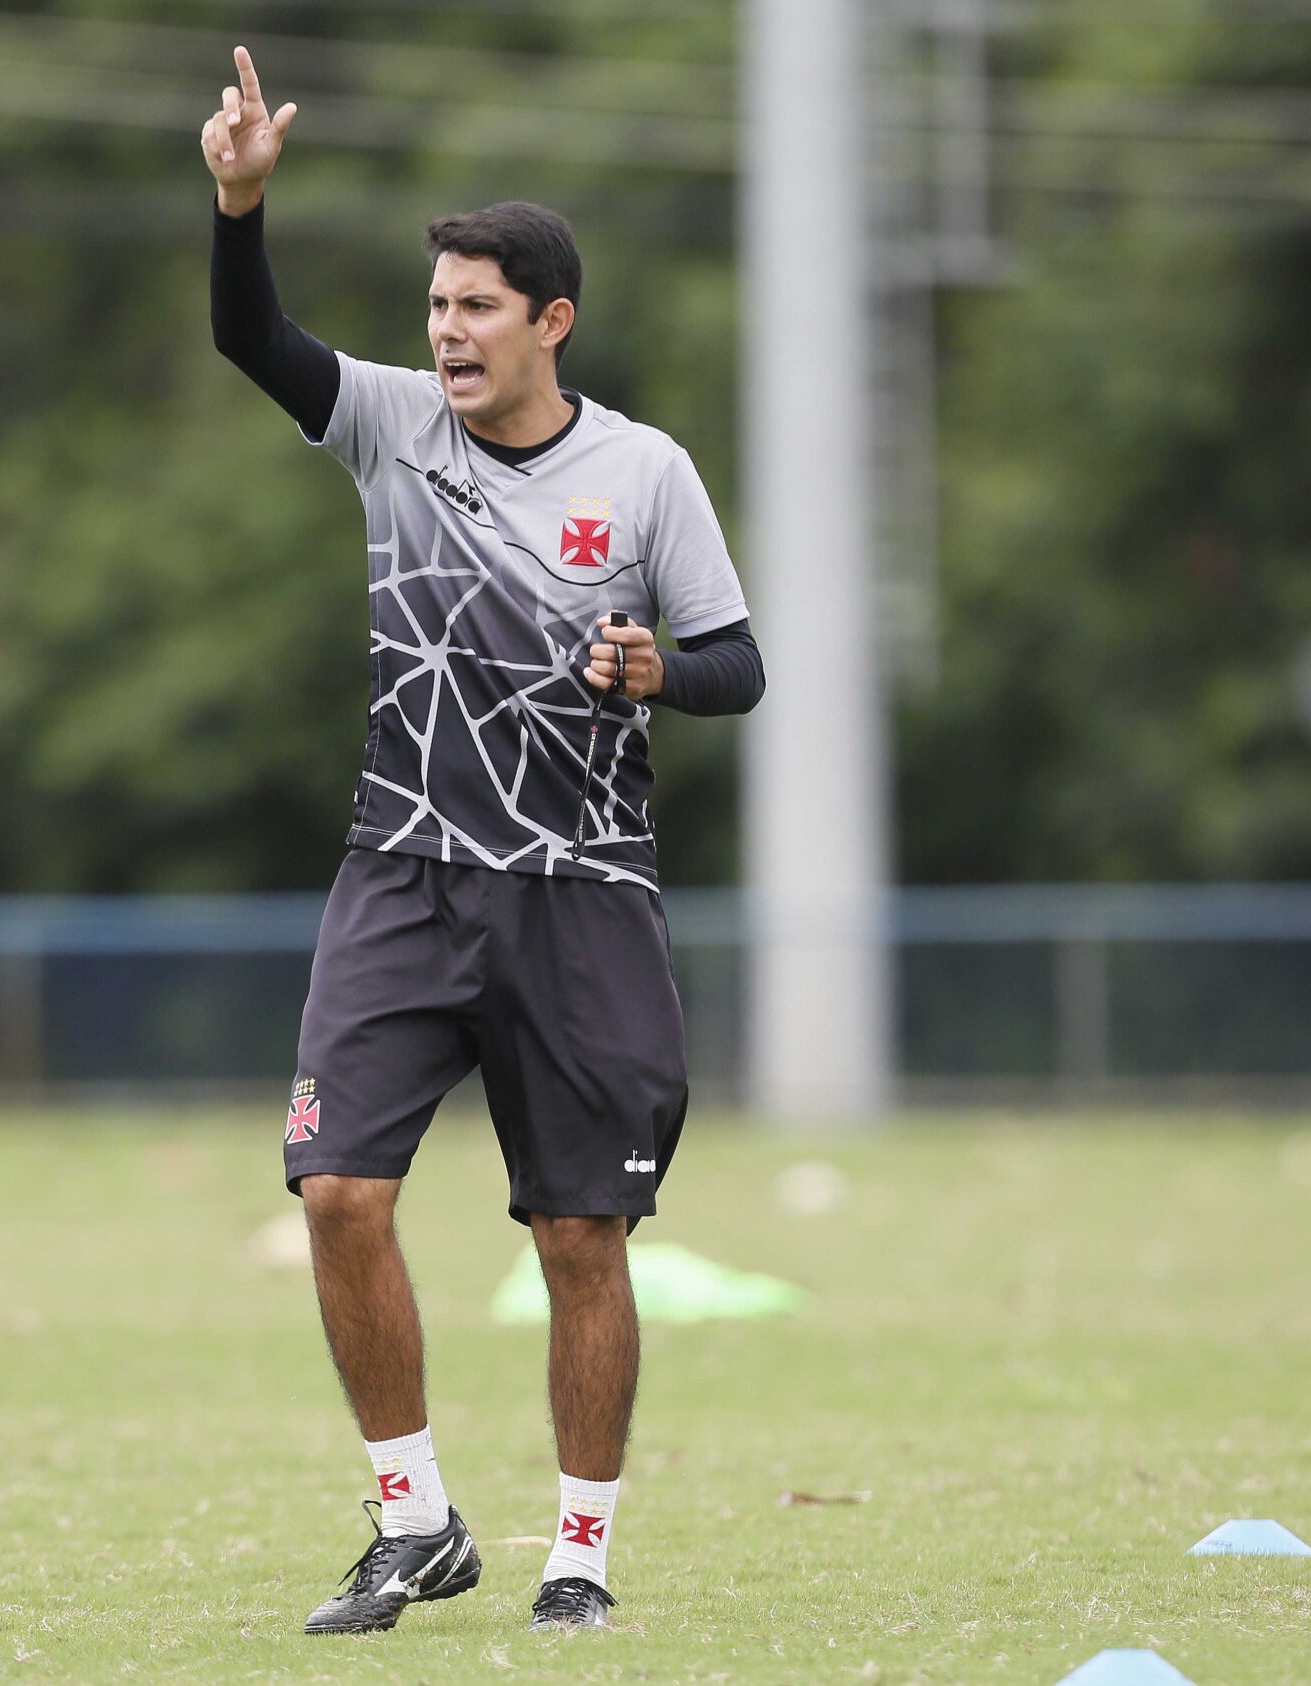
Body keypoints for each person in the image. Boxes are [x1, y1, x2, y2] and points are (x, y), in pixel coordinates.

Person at [201, 44, 766, 1637]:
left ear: (551, 321)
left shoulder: (644, 472)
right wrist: (240, 205)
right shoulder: (391, 429)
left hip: (580, 893)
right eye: (437, 307)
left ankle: (578, 1549)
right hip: (404, 871)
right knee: (336, 1191)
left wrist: (659, 665)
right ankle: (413, 1518)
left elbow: (739, 665)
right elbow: (254, 336)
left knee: (581, 1230)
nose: (445, 333)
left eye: (475, 309)